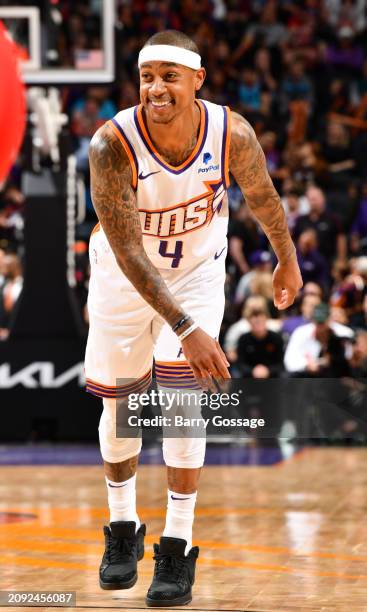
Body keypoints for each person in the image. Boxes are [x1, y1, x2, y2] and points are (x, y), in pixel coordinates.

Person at [86, 30, 302, 608]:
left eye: (169, 76)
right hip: (122, 276)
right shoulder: (111, 144)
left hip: (197, 272)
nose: (155, 88)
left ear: (197, 80)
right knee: (122, 402)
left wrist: (287, 257)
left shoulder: (231, 133)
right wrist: (185, 326)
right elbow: (131, 252)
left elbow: (261, 195)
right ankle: (122, 528)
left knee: (182, 399)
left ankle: (177, 544)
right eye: (146, 77)